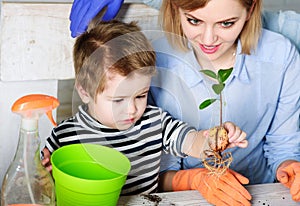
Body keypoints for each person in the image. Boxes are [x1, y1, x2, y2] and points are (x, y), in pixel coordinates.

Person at [68, 0, 300, 205]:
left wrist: (289, 166)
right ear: (175, 8)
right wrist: (195, 179)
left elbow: (283, 147)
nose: (209, 39)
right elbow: (149, 167)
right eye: (194, 20)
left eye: (226, 23)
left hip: (263, 193)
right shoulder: (153, 65)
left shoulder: (281, 55)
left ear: (250, 10)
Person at [41, 19, 248, 196]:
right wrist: (44, 174)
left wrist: (214, 141)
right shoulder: (65, 136)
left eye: (141, 95)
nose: (132, 110)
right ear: (85, 91)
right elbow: (41, 180)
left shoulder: (155, 122)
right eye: (118, 100)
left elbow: (192, 142)